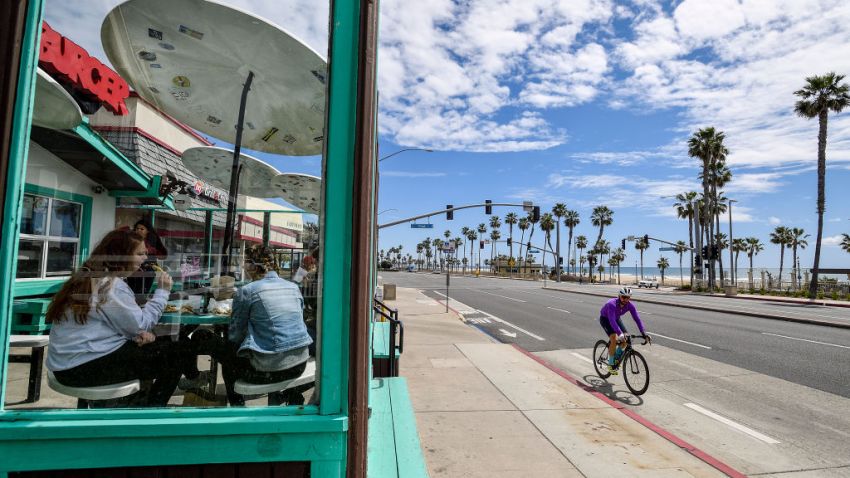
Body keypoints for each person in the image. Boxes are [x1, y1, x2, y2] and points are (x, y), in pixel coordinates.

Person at [45, 229, 195, 407]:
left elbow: (109, 323)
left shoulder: (87, 277)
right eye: (139, 254)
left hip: (66, 366)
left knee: (162, 349)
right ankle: (151, 412)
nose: (144, 259)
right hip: (86, 368)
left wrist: (135, 333)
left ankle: (138, 402)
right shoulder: (111, 285)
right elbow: (143, 323)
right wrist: (162, 291)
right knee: (178, 350)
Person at [188, 245, 313, 406]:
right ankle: (289, 396)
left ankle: (236, 406)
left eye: (245, 262)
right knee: (238, 353)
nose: (243, 266)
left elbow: (235, 336)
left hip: (269, 370)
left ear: (252, 266)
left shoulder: (247, 291)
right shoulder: (293, 287)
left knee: (219, 348)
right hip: (299, 364)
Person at [599, 287, 651, 375]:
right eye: (623, 297)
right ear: (619, 296)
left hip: (616, 318)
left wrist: (643, 333)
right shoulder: (611, 304)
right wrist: (620, 334)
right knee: (614, 339)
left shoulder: (630, 305)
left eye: (628, 297)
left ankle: (616, 358)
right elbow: (611, 321)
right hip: (606, 319)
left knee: (626, 340)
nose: (625, 300)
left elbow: (637, 319)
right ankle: (610, 364)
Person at [127, 218, 168, 297]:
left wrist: (151, 250)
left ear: (147, 231)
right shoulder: (131, 240)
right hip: (133, 271)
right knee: (131, 292)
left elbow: (163, 255)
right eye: (137, 228)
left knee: (143, 293)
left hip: (148, 271)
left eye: (142, 229)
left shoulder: (153, 240)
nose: (138, 230)